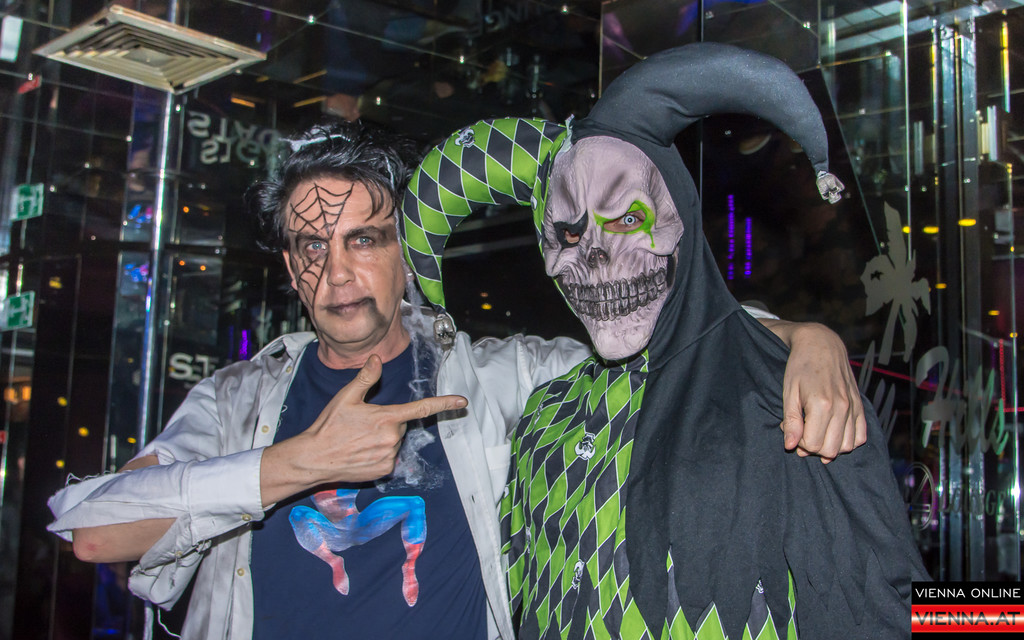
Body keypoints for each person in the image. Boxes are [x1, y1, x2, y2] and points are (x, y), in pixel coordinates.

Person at [49, 120, 865, 640]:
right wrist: (300, 462)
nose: (338, 272)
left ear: (404, 253)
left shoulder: (497, 378)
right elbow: (95, 533)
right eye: (312, 248)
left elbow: (670, 348)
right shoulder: (238, 400)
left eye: (364, 239)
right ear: (292, 271)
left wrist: (802, 336)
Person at [401, 44, 926, 639]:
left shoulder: (786, 395)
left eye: (628, 219)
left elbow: (903, 600)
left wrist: (994, 615)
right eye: (568, 234)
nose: (595, 255)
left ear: (683, 222)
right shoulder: (546, 417)